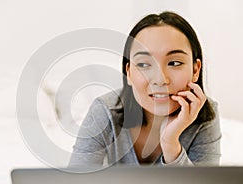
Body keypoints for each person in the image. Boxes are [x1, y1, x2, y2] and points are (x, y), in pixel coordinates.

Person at [69, 11, 221, 167]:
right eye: (143, 64)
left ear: (196, 70)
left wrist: (170, 144)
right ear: (128, 72)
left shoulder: (205, 116)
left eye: (174, 63)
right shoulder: (105, 111)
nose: (160, 79)